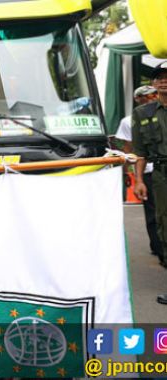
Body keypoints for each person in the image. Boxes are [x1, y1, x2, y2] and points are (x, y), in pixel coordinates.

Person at [132, 63, 167, 306]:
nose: (164, 82)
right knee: (165, 228)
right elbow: (140, 153)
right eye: (159, 78)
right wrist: (138, 180)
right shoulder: (143, 114)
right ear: (154, 85)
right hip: (162, 176)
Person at [116, 85, 163, 262]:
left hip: (161, 167)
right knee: (153, 212)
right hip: (147, 169)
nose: (151, 98)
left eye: (153, 94)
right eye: (147, 96)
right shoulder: (129, 120)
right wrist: (129, 174)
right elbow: (129, 149)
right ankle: (158, 247)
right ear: (138, 99)